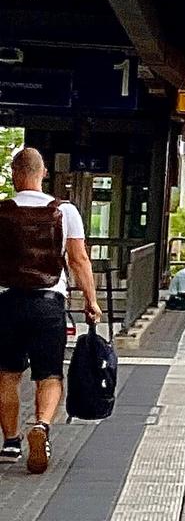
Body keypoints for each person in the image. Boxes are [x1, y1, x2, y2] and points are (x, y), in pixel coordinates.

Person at [0, 148, 102, 474]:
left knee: (7, 375)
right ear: (43, 174)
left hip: (7, 303)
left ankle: (11, 442)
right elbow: (79, 260)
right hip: (48, 305)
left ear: (15, 175)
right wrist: (91, 301)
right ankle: (41, 426)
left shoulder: (1, 212)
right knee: (49, 375)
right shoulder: (65, 211)